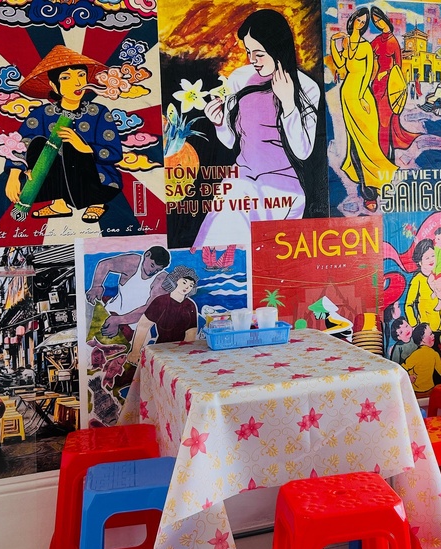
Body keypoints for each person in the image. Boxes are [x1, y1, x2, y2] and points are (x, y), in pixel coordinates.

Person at [198, 9, 322, 246]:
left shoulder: (306, 87)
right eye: (248, 52)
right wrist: (218, 123)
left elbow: (302, 151)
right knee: (231, 203)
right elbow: (233, 141)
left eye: (259, 54)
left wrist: (288, 105)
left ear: (277, 49)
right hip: (242, 178)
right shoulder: (239, 78)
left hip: (280, 185)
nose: (252, 60)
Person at [5, 45, 123, 223]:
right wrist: (14, 174)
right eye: (66, 78)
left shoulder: (98, 112)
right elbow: (22, 143)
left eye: (81, 76)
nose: (77, 83)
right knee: (38, 143)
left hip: (96, 181)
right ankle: (59, 204)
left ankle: (96, 203)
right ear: (54, 85)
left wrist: (84, 147)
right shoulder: (42, 114)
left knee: (71, 148)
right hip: (57, 181)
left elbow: (115, 153)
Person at [330, 7, 398, 212]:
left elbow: (368, 72)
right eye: (357, 21)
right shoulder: (346, 43)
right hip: (347, 95)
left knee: (368, 143)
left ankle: (372, 189)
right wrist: (335, 43)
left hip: (362, 96)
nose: (359, 24)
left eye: (363, 22)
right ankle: (366, 189)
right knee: (354, 144)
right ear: (351, 21)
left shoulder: (366, 47)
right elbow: (341, 65)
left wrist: (361, 95)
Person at [85, 246, 171, 341]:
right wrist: (96, 286)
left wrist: (118, 320)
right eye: (152, 265)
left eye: (158, 270)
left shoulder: (161, 280)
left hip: (136, 328)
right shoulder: (133, 262)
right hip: (111, 312)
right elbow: (105, 264)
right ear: (147, 255)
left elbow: (149, 310)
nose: (153, 271)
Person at [370, 7, 420, 161]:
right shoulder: (377, 40)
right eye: (375, 22)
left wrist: (387, 73)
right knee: (377, 120)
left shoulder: (393, 41)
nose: (379, 24)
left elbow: (398, 65)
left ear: (385, 19)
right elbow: (367, 54)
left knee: (385, 120)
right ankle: (383, 152)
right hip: (376, 85)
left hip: (389, 85)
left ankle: (384, 156)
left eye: (379, 20)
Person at [127, 266, 199, 365]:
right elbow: (143, 327)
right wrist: (135, 351)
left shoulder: (190, 306)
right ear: (175, 280)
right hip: (161, 352)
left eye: (191, 285)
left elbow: (191, 333)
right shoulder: (160, 302)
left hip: (182, 353)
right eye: (184, 282)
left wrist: (185, 356)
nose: (187, 287)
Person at [404, 238, 441, 332]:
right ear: (420, 262)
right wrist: (415, 326)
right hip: (428, 331)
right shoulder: (417, 280)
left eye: (433, 256)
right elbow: (408, 305)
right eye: (427, 258)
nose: (431, 260)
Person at [401, 323, 441, 396]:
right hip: (417, 393)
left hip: (429, 392)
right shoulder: (418, 354)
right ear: (422, 339)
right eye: (431, 334)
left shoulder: (433, 354)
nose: (433, 335)